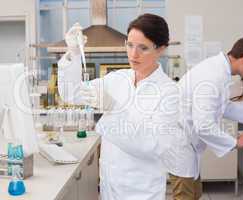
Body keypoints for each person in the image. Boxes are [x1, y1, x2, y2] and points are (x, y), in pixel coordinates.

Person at [57, 14, 196, 200]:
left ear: (161, 49)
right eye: (129, 45)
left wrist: (113, 110)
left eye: (143, 48)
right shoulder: (117, 79)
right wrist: (73, 53)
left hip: (142, 192)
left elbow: (152, 145)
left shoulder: (169, 92)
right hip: (109, 188)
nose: (133, 54)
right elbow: (72, 93)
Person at [170, 37, 243, 200]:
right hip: (180, 145)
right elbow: (203, 125)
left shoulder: (219, 69)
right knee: (186, 196)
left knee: (195, 194)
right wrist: (235, 142)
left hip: (187, 144)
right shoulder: (214, 76)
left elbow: (221, 106)